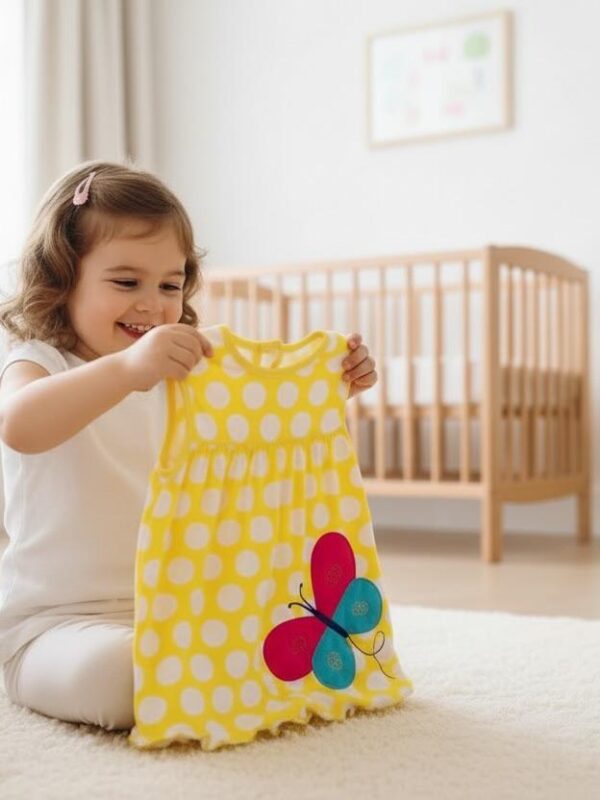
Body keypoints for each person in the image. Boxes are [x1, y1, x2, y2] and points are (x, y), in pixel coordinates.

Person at [0, 161, 379, 731]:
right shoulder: (41, 361)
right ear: (61, 278)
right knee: (126, 680)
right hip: (57, 624)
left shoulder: (182, 373)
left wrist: (330, 388)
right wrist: (128, 370)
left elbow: (258, 430)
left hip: (184, 607)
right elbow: (20, 424)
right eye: (126, 283)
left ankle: (212, 673)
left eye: (170, 285)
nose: (152, 304)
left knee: (293, 642)